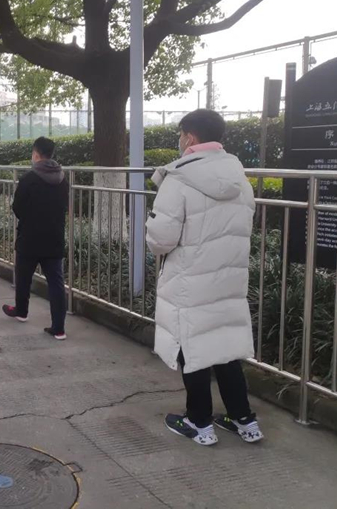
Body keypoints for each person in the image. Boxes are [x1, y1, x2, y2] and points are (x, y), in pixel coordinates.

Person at [146, 109, 262, 446]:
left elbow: (161, 240)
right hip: (228, 278)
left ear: (190, 137)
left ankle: (199, 422)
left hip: (190, 278)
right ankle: (244, 419)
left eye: (181, 135)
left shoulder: (179, 178)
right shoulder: (239, 178)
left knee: (192, 347)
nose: (180, 141)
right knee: (224, 347)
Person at [2, 137, 69, 340]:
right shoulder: (63, 179)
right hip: (54, 237)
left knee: (23, 277)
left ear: (36, 154)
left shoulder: (29, 178)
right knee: (56, 283)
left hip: (30, 237)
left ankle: (21, 312)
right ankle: (59, 328)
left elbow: (17, 207)